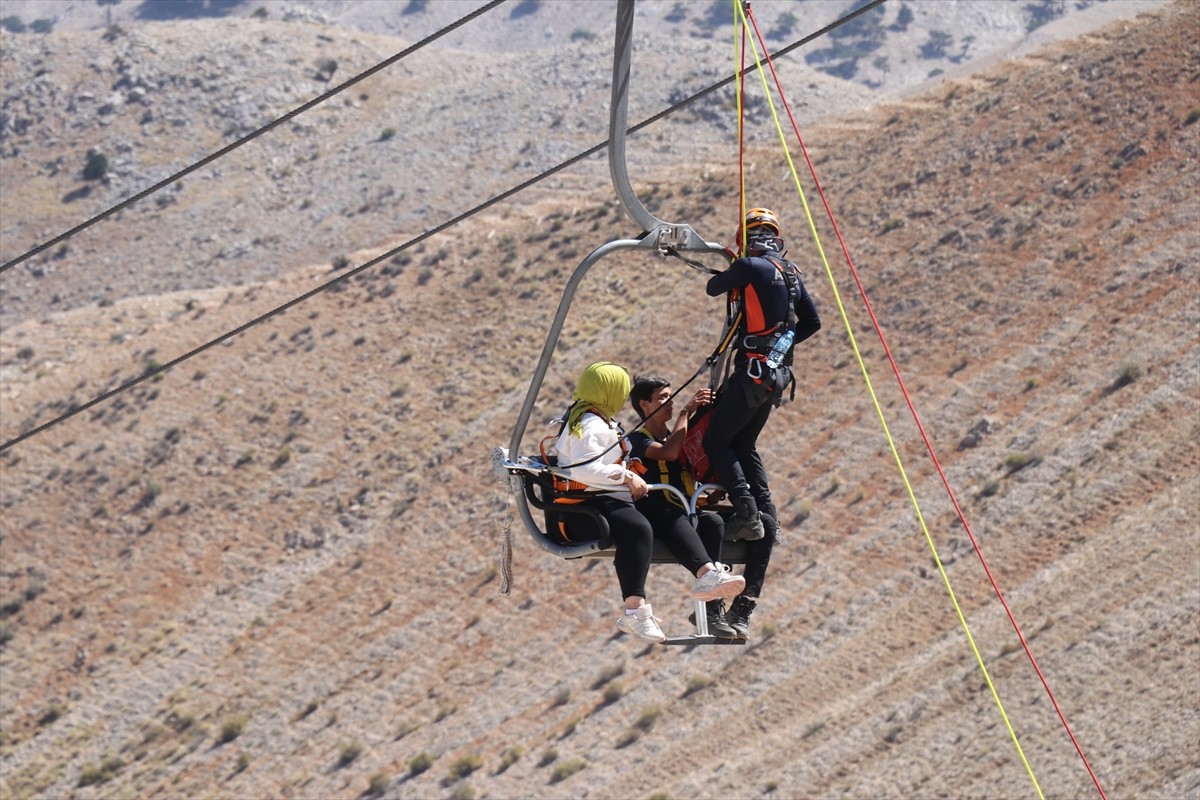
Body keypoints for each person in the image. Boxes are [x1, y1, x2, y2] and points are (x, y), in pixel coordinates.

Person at [554, 361, 745, 644]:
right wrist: (626, 476)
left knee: (662, 512)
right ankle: (636, 611)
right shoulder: (589, 424)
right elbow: (585, 470)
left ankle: (706, 574)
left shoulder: (597, 419)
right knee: (638, 527)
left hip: (604, 497)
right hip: (586, 505)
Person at [703, 207, 821, 638]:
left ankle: (749, 512)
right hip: (775, 375)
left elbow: (714, 287)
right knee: (745, 444)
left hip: (752, 370)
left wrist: (734, 264)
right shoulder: (792, 273)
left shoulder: (750, 265)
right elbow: (811, 322)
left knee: (719, 442)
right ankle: (763, 506)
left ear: (748, 238)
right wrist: (778, 344)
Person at [627, 375, 737, 638]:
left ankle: (711, 607)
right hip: (654, 511)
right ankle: (708, 575)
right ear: (644, 405)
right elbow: (668, 453)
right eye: (663, 398)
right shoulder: (637, 439)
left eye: (671, 397)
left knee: (713, 522)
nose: (670, 403)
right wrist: (687, 411)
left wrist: (706, 497)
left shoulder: (677, 433)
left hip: (680, 508)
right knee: (674, 515)